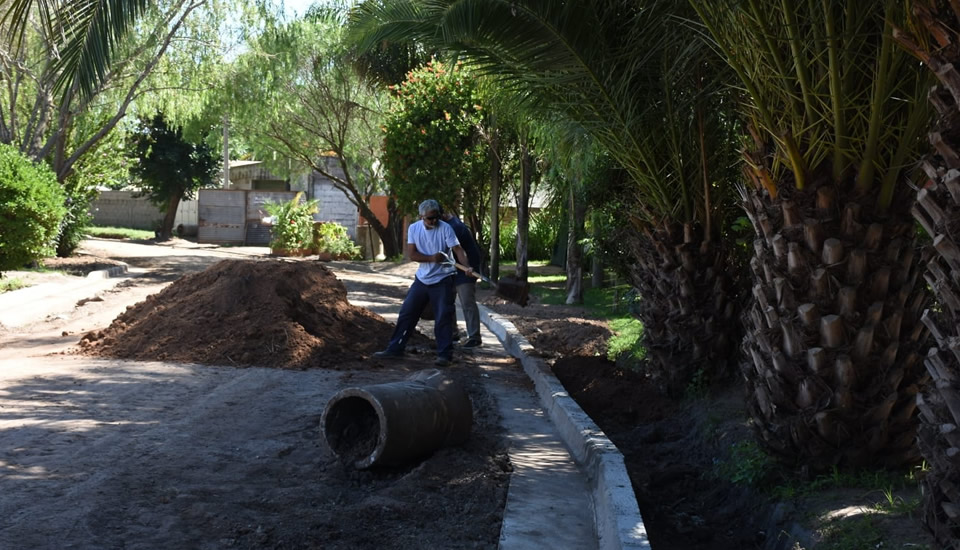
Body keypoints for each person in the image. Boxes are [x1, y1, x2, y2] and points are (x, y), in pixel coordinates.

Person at [373, 199, 476, 366]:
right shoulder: (414, 229)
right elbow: (412, 255)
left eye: (435, 217)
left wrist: (467, 266)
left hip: (443, 279)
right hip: (422, 279)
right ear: (421, 217)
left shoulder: (446, 228)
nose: (433, 221)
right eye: (429, 218)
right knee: (407, 312)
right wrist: (432, 258)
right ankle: (395, 348)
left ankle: (444, 355)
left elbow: (458, 250)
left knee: (443, 316)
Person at [442, 210, 482, 348]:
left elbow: (459, 251)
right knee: (448, 300)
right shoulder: (445, 224)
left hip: (467, 268)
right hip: (453, 268)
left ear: (442, 215)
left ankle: (474, 337)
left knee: (467, 302)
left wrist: (468, 267)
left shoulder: (454, 227)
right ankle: (453, 333)